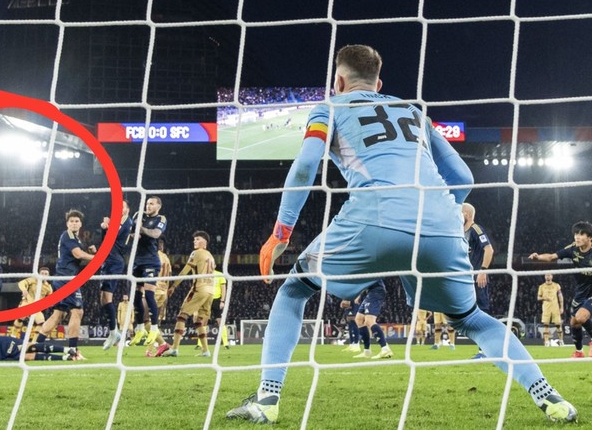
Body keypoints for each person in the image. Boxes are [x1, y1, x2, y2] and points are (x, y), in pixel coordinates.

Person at [227, 45, 576, 424]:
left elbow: (306, 164)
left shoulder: (329, 107)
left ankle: (267, 399)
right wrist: (451, 207)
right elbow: (463, 176)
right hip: (440, 224)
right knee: (472, 319)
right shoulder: (414, 112)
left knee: (294, 290)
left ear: (339, 81)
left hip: (373, 218)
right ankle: (550, 397)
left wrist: (281, 232)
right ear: (379, 84)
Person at [35, 210, 95, 358]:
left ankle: (35, 346)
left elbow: (81, 256)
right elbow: (78, 254)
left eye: (76, 221)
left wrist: (92, 252)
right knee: (77, 311)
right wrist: (97, 257)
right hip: (66, 279)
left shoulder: (76, 239)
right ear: (67, 224)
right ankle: (73, 350)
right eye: (71, 221)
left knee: (57, 315)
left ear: (80, 224)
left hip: (63, 278)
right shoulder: (68, 235)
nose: (74, 223)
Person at [529, 221, 592, 359]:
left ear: (590, 238)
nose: (577, 237)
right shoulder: (573, 249)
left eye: (582, 234)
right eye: (576, 234)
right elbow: (552, 256)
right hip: (581, 291)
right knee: (574, 322)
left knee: (581, 317)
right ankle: (579, 352)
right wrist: (538, 256)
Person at [163, 231, 216, 357]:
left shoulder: (196, 253)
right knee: (199, 320)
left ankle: (174, 348)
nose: (194, 241)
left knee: (182, 315)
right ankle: (206, 351)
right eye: (194, 239)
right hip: (211, 290)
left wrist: (174, 286)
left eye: (197, 239)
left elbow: (185, 271)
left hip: (200, 288)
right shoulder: (211, 256)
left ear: (204, 242)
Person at [128, 197, 167, 348]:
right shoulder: (138, 215)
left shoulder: (161, 219)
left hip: (151, 261)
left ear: (158, 206)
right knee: (135, 296)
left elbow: (156, 234)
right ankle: (140, 328)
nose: (148, 206)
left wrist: (141, 229)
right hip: (136, 261)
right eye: (147, 203)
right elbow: (131, 233)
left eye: (151, 204)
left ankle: (154, 329)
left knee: (149, 294)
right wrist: (134, 234)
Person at [99, 200, 134, 350]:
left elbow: (113, 236)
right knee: (103, 299)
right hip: (108, 259)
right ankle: (113, 332)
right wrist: (104, 229)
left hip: (114, 261)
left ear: (127, 210)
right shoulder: (116, 222)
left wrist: (107, 226)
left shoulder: (126, 220)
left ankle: (114, 333)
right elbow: (106, 241)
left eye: (122, 206)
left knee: (107, 298)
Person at [462, 203, 495, 359]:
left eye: (460, 212)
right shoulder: (461, 232)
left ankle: (485, 350)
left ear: (467, 214)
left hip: (477, 277)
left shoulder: (476, 229)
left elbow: (489, 249)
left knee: (481, 310)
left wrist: (483, 270)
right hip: (466, 278)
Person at [351, 280, 392, 359]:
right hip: (370, 292)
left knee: (369, 320)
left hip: (376, 290)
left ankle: (385, 349)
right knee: (359, 319)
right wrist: (359, 295)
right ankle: (367, 351)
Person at [13, 265, 53, 338]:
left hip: (36, 307)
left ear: (48, 275)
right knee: (21, 318)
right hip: (27, 302)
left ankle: (34, 341)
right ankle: (13, 336)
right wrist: (24, 290)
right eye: (42, 273)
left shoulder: (48, 287)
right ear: (39, 274)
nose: (43, 275)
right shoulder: (33, 280)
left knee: (41, 323)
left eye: (46, 274)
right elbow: (21, 283)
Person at [537, 274, 564, 347]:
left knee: (558, 325)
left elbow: (560, 296)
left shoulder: (556, 285)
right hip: (546, 308)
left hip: (555, 307)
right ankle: (546, 341)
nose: (547, 277)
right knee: (546, 325)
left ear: (552, 276)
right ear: (544, 277)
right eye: (546, 275)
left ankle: (561, 340)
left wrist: (561, 307)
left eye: (549, 275)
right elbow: (538, 298)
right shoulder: (541, 287)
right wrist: (544, 298)